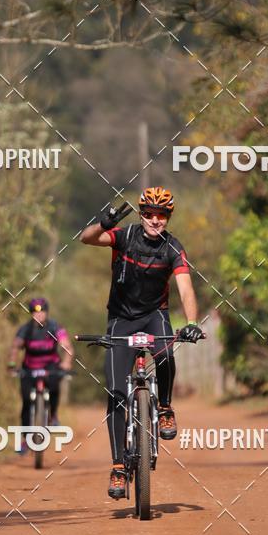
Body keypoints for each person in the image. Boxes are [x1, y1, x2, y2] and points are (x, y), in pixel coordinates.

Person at [80, 187, 203, 499]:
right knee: (116, 394)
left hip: (154, 315)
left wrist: (191, 323)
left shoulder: (173, 247)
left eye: (161, 215)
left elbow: (185, 288)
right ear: (141, 214)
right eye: (149, 214)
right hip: (121, 319)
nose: (154, 220)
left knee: (166, 353)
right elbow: (86, 238)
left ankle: (165, 407)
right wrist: (103, 224)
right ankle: (118, 467)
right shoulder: (125, 236)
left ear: (168, 217)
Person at [7, 298, 74, 449]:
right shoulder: (25, 329)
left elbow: (66, 346)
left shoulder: (55, 327)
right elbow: (15, 347)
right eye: (35, 312)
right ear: (31, 314)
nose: (39, 315)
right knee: (26, 402)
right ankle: (26, 439)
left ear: (47, 313)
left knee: (55, 385)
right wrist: (11, 364)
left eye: (42, 311)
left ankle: (53, 416)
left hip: (50, 366)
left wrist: (66, 362)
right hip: (29, 368)